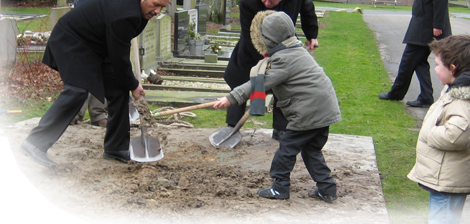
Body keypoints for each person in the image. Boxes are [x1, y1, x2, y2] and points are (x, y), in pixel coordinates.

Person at [19, 0, 169, 166]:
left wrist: (128, 83)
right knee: (77, 90)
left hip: (98, 46)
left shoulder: (138, 11)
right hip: (72, 40)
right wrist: (134, 84)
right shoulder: (125, 14)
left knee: (119, 89)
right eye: (155, 4)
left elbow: (117, 50)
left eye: (162, 7)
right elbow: (120, 58)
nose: (157, 11)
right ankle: (34, 143)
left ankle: (116, 148)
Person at [214, 11, 341, 201]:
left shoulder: (283, 59)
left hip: (309, 113)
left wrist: (231, 98)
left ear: (268, 39)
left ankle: (280, 187)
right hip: (324, 111)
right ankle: (327, 189)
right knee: (311, 151)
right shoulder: (296, 51)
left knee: (285, 151)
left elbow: (259, 83)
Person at [223, 0, 319, 140]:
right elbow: (249, 32)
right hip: (251, 46)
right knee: (240, 81)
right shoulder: (247, 2)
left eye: (272, 0)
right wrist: (266, 60)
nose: (267, 3)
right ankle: (232, 126)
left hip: (284, 44)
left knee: (284, 85)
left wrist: (312, 35)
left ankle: (281, 128)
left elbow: (307, 9)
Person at [407, 34, 470, 224]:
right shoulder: (453, 88)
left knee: (442, 218)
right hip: (446, 176)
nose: (434, 69)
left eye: (437, 64)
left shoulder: (462, 99)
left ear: (452, 68)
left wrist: (428, 132)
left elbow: (456, 136)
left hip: (448, 180)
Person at [378, 0, 451, 107]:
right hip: (422, 25)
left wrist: (438, 25)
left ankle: (396, 93)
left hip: (426, 27)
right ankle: (426, 97)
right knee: (420, 63)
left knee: (407, 62)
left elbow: (441, 2)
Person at [70, 0, 108, 128]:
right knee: (81, 66)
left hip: (108, 20)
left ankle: (98, 113)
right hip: (85, 18)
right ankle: (74, 111)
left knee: (104, 66)